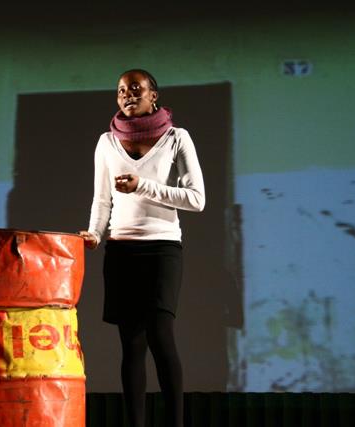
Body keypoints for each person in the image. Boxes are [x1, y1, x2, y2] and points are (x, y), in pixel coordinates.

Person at [79, 69, 205, 427]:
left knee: (160, 336)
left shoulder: (177, 138)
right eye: (121, 90)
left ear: (154, 96)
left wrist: (142, 186)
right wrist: (94, 234)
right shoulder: (106, 142)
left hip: (162, 248)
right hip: (121, 250)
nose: (127, 95)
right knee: (132, 344)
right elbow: (101, 199)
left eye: (135, 89)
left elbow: (197, 199)